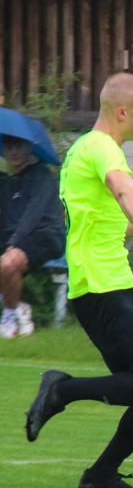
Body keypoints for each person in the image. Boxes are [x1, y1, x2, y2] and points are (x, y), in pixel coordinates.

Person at [23, 72, 133, 488]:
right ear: (122, 111)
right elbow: (123, 193)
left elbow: (114, 224)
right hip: (101, 291)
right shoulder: (104, 149)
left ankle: (100, 475)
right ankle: (62, 390)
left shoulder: (83, 152)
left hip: (115, 286)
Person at [0, 134, 66, 338]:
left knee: (8, 264)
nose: (13, 152)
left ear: (30, 147)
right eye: (9, 147)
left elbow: (32, 216)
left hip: (46, 236)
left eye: (19, 146)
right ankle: (19, 307)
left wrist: (12, 243)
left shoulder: (42, 177)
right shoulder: (8, 183)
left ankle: (10, 316)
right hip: (15, 238)